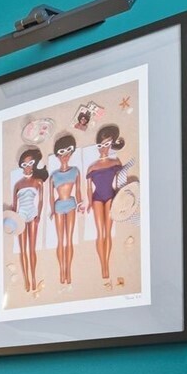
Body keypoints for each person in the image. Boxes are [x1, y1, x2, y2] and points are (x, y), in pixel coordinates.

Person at [86, 124, 127, 288]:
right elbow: (89, 188)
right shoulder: (92, 167)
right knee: (100, 231)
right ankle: (102, 263)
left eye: (107, 144)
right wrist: (89, 203)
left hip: (110, 196)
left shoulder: (115, 162)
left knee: (108, 232)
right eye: (101, 145)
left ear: (111, 144)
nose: (104, 148)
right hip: (96, 198)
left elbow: (120, 181)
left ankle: (106, 265)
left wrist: (122, 197)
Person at [48, 133, 86, 290]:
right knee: (60, 239)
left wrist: (80, 204)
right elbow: (50, 196)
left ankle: (68, 271)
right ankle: (61, 271)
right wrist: (51, 210)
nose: (65, 156)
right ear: (57, 155)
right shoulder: (53, 176)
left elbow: (78, 191)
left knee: (69, 239)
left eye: (68, 153)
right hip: (58, 206)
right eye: (62, 153)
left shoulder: (75, 171)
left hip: (70, 204)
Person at [10, 147, 49, 296]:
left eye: (30, 163)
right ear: (21, 166)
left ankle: (33, 277)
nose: (27, 167)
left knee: (31, 248)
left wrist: (38, 215)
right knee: (23, 249)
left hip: (32, 214)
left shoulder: (38, 182)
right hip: (20, 215)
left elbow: (41, 201)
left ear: (34, 164)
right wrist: (13, 221)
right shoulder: (17, 185)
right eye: (24, 164)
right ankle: (26, 278)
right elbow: (14, 206)